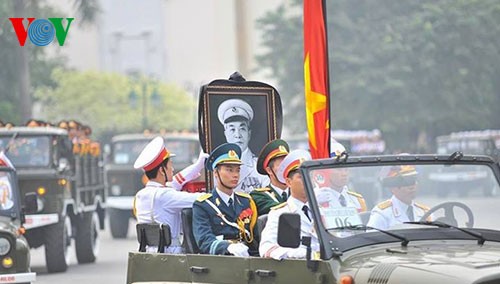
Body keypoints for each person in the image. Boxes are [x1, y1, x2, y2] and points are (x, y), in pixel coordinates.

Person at [133, 136, 205, 253]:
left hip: (148, 254)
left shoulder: (142, 195)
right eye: (170, 164)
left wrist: (198, 165)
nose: (173, 168)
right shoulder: (165, 196)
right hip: (171, 254)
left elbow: (176, 181)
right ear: (162, 171)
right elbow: (200, 199)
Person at [192, 143, 258, 256]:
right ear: (216, 172)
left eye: (237, 170)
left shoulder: (246, 201)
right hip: (221, 261)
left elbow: (254, 239)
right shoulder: (204, 205)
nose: (235, 175)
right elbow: (204, 240)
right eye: (229, 170)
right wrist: (227, 247)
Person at [259, 149, 319, 260]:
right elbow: (266, 248)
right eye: (301, 177)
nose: (308, 181)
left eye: (310, 175)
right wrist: (296, 254)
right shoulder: (280, 213)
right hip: (300, 269)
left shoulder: (322, 209)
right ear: (288, 182)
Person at [217, 98, 269, 193]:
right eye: (232, 129)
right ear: (225, 134)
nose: (238, 135)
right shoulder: (218, 167)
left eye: (242, 129)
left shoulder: (259, 166)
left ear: (249, 133)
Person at [367, 165, 430, 230]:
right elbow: (370, 238)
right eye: (406, 182)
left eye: (414, 181)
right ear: (393, 188)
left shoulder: (425, 212)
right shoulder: (382, 214)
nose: (412, 187)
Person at [314, 141, 367, 212]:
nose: (344, 173)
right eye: (338, 169)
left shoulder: (357, 200)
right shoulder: (315, 198)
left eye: (346, 168)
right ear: (326, 171)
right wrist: (314, 204)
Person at [250, 139, 290, 215]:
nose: (286, 170)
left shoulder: (298, 192)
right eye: (282, 166)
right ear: (269, 170)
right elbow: (281, 212)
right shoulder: (259, 195)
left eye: (288, 165)